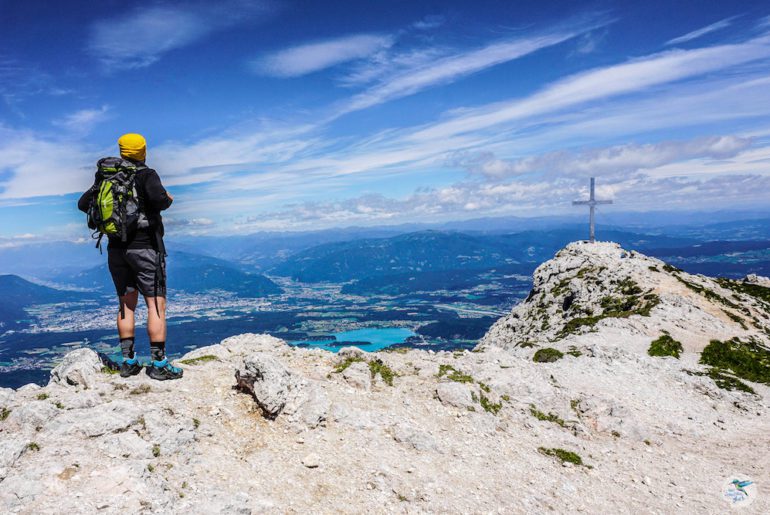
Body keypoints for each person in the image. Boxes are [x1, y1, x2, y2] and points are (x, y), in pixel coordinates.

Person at [78, 133, 182, 380]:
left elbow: (83, 204)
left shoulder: (107, 176)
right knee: (155, 304)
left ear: (123, 151)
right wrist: (167, 198)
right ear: (143, 151)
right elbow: (160, 201)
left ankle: (128, 362)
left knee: (126, 304)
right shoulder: (147, 174)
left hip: (116, 249)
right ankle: (159, 365)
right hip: (146, 247)